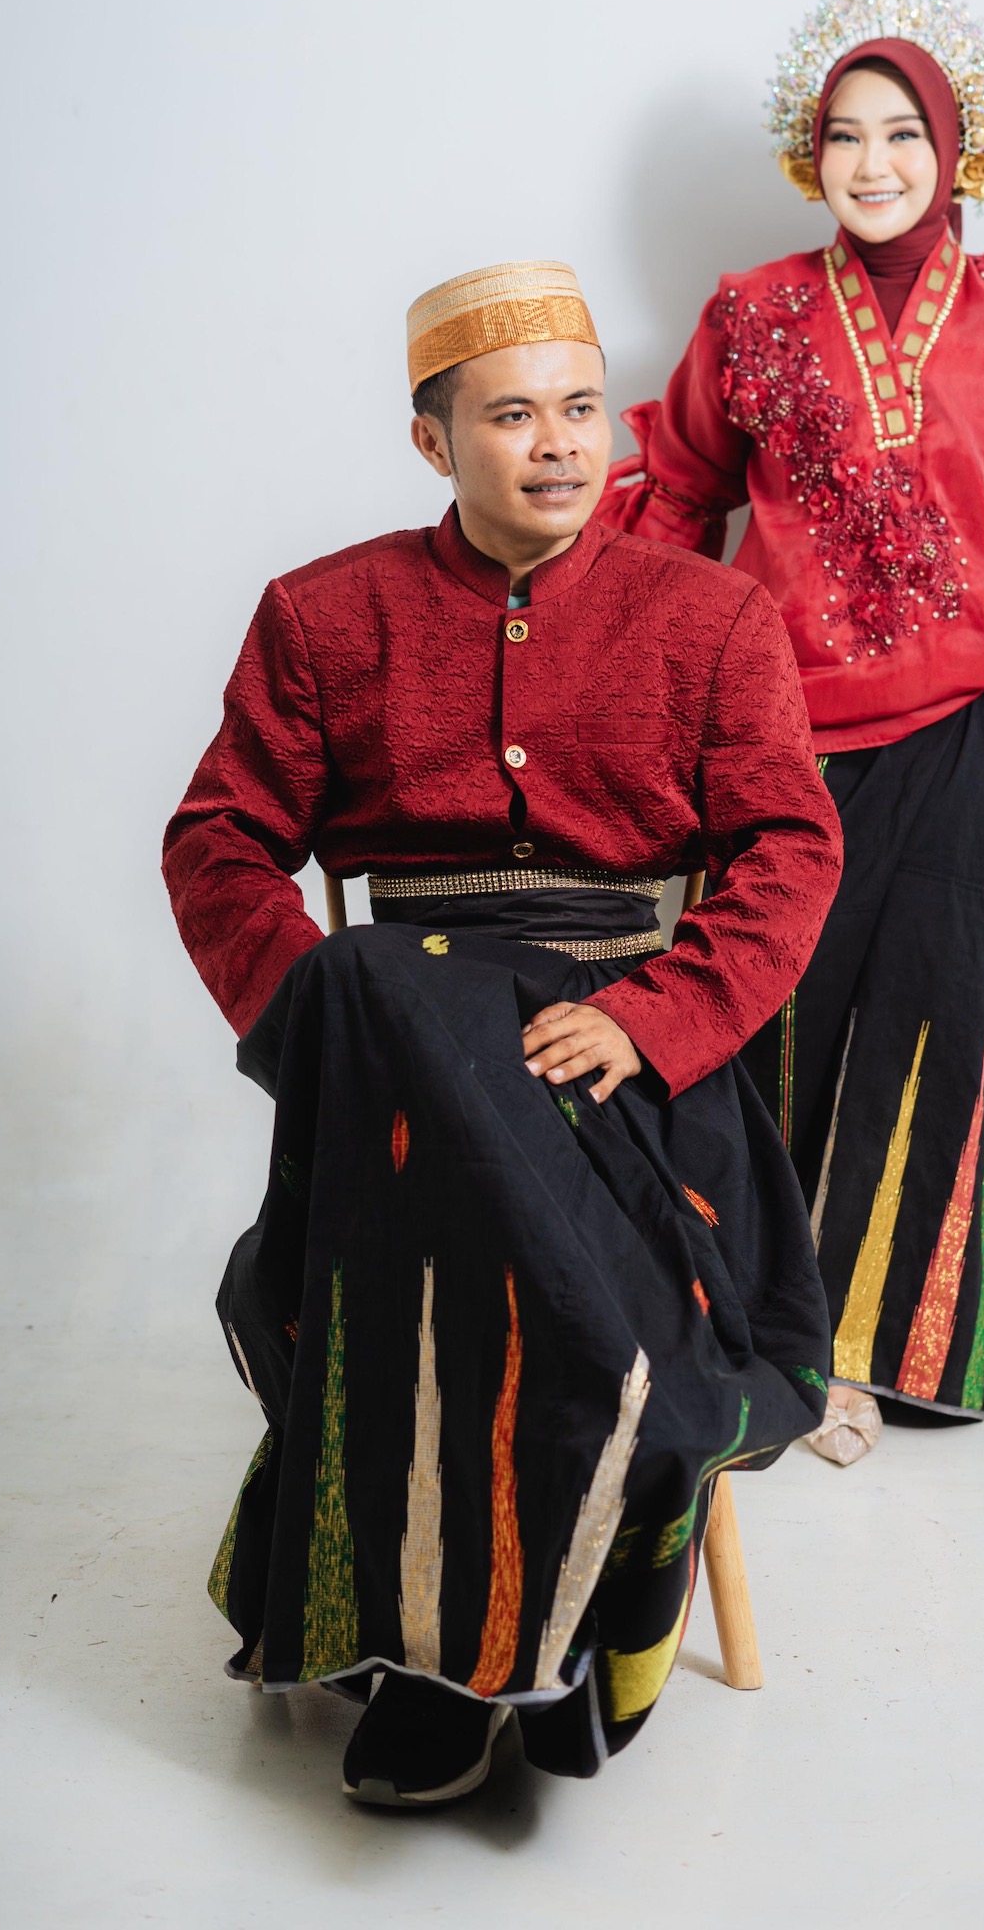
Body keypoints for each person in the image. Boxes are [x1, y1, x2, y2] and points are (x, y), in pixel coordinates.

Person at [162, 260, 841, 1805]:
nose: (559, 445)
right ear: (433, 440)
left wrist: (655, 1015)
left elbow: (792, 849)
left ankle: (492, 1641)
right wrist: (318, 1018)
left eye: (584, 409)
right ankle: (462, 1647)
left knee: (495, 1220)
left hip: (622, 1065)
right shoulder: (324, 615)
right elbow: (218, 839)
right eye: (514, 415)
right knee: (385, 991)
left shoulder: (711, 615)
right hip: (400, 1061)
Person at [600, 0, 984, 1461]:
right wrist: (643, 687)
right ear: (813, 153)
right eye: (845, 134)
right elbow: (682, 499)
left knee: (941, 1018)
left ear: (954, 149)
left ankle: (891, 1345)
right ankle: (778, 1334)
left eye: (903, 133)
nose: (873, 162)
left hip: (971, 731)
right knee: (777, 1017)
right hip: (785, 734)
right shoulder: (753, 313)